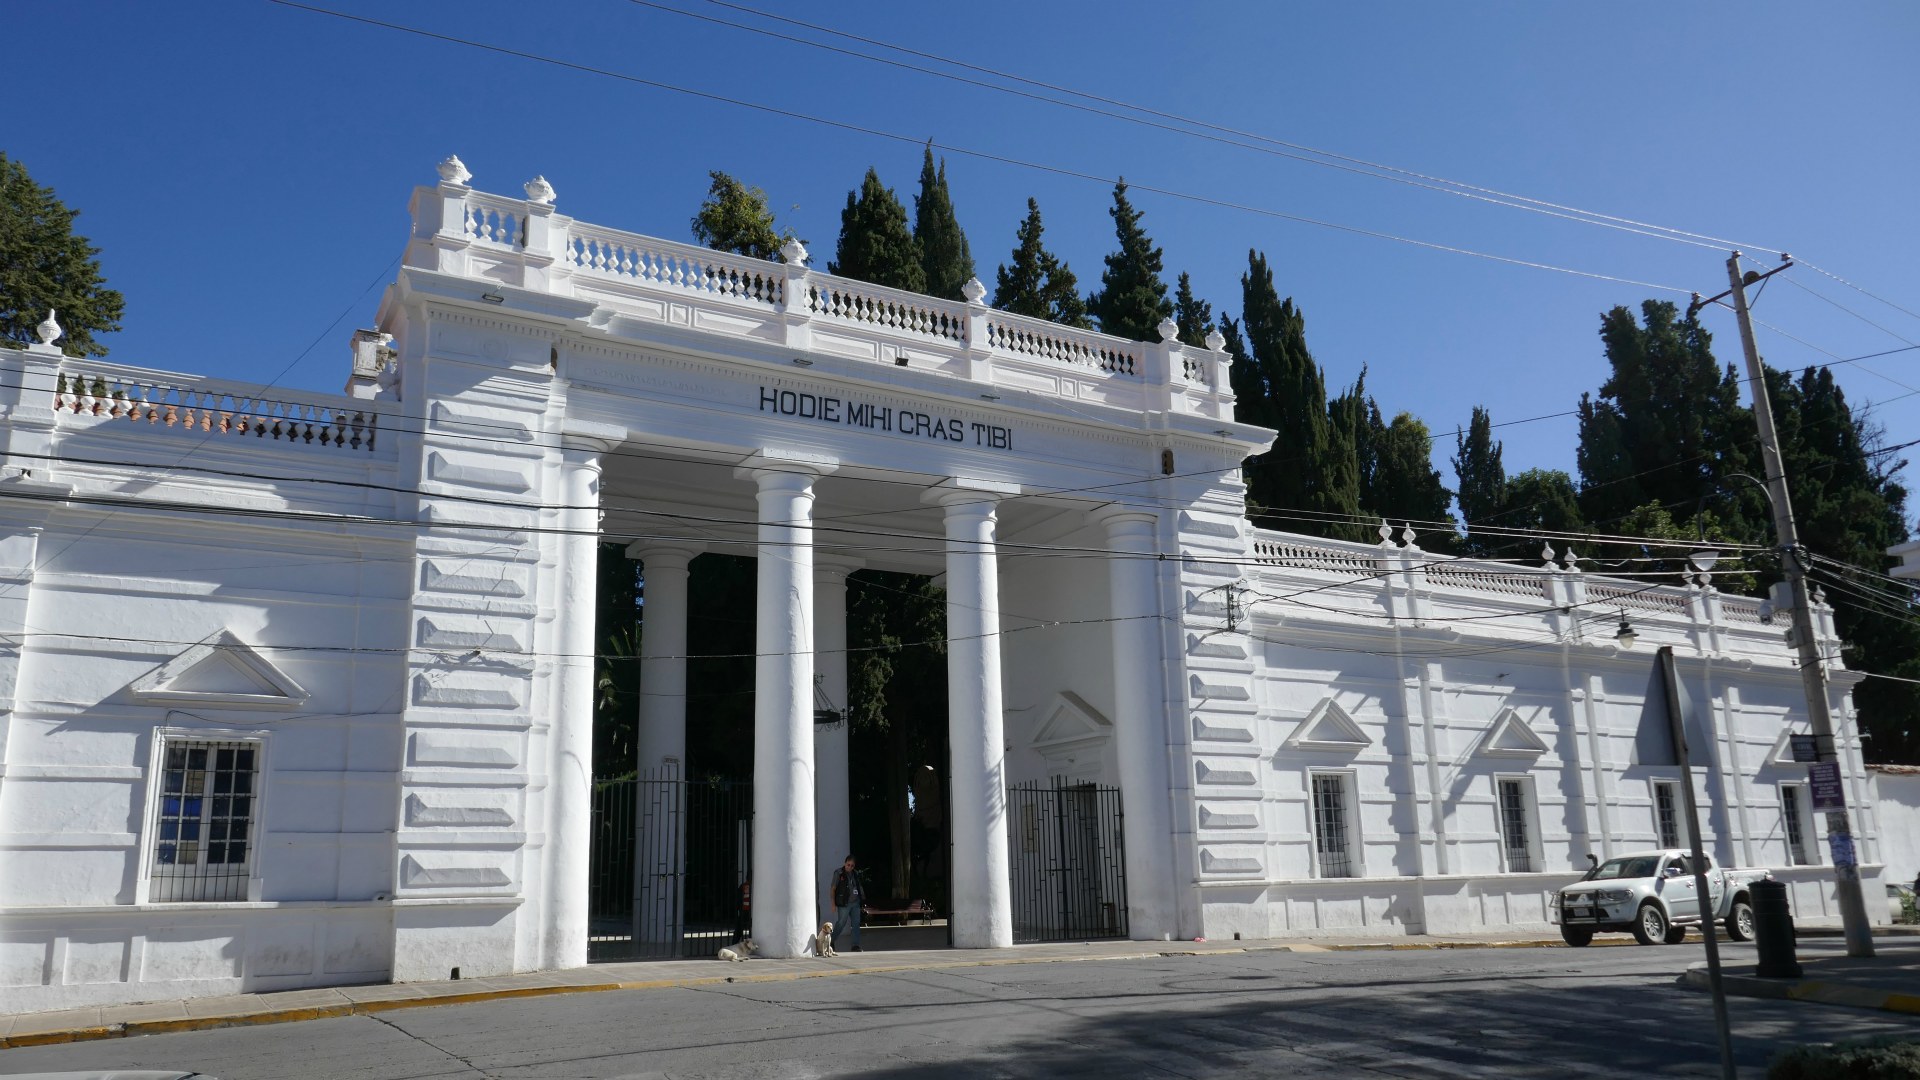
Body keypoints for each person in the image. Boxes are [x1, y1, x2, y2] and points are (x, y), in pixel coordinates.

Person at [827, 855, 864, 952]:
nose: (850, 867)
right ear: (845, 863)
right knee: (841, 923)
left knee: (856, 924)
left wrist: (862, 901)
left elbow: (859, 887)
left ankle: (855, 945)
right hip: (844, 904)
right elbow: (833, 889)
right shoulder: (838, 873)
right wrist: (833, 904)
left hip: (855, 903)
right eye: (848, 865)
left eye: (852, 866)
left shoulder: (855, 874)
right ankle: (831, 941)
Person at [733, 877, 751, 942]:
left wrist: (737, 908)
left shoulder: (743, 886)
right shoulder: (756, 885)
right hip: (751, 911)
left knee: (739, 929)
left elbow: (738, 899)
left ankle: (734, 944)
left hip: (743, 910)